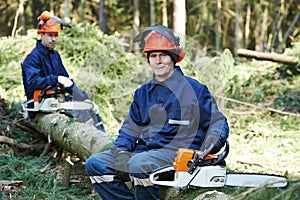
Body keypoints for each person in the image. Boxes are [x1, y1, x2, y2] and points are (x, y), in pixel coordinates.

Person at [85, 25, 229, 199]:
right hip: (145, 152)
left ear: (173, 58)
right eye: (153, 56)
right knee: (96, 164)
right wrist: (122, 152)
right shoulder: (143, 93)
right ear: (148, 59)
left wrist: (213, 140)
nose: (158, 61)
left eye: (163, 55)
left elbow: (217, 122)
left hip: (178, 154)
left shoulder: (195, 90)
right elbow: (130, 129)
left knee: (139, 164)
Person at [21, 10, 105, 132]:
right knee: (84, 116)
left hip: (57, 100)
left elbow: (67, 81)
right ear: (41, 34)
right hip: (39, 103)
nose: (53, 39)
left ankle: (106, 142)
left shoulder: (55, 55)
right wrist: (55, 79)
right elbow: (33, 82)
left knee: (92, 112)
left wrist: (84, 99)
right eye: (50, 35)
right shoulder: (32, 56)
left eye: (56, 35)